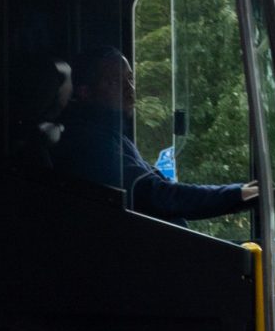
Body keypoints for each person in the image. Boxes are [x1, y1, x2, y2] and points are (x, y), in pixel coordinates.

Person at [55, 49, 256, 223]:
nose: (130, 89)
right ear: (85, 92)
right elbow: (158, 196)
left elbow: (162, 187)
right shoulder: (89, 142)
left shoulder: (111, 134)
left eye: (130, 78)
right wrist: (238, 195)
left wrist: (239, 193)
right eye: (115, 81)